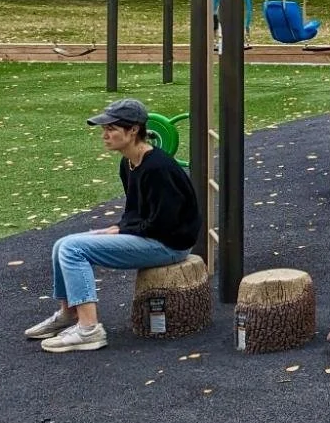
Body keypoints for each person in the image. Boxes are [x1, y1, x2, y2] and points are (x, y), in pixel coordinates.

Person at [26, 98, 202, 353]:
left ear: (133, 130)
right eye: (104, 129)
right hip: (152, 236)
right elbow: (135, 211)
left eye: (111, 129)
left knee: (73, 249)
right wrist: (120, 227)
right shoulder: (128, 162)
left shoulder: (158, 168)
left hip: (170, 245)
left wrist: (125, 230)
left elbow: (166, 223)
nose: (105, 135)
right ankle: (68, 314)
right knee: (61, 245)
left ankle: (89, 330)